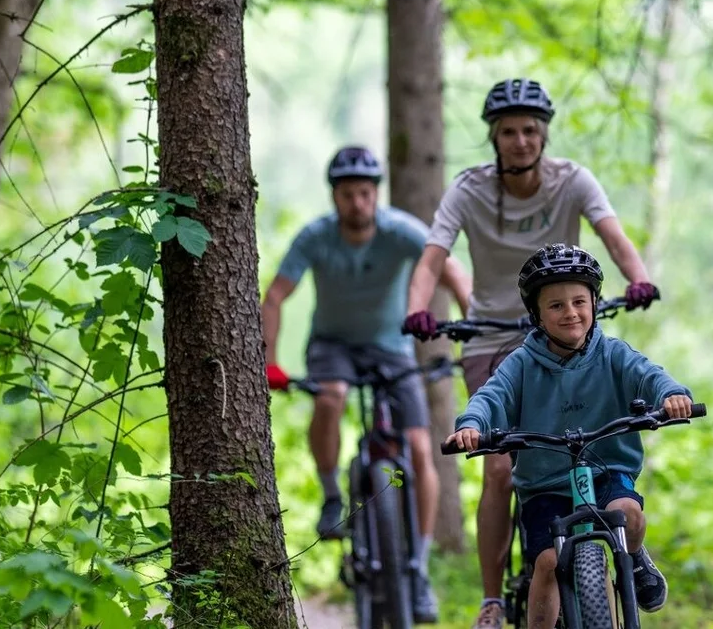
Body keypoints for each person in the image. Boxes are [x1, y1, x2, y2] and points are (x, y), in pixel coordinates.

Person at [398, 77, 661, 629]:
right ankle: (492, 598)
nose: (520, 140)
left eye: (530, 130)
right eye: (509, 131)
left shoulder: (572, 181)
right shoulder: (469, 189)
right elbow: (432, 256)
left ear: (543, 135)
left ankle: (619, 551)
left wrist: (638, 278)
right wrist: (418, 309)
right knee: (498, 468)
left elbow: (611, 235)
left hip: (560, 319)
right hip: (493, 335)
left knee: (592, 436)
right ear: (494, 138)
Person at [261, 145, 472, 622]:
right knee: (332, 397)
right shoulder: (316, 237)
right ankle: (332, 494)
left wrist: (470, 339)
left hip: (391, 348)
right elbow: (275, 296)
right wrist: (269, 361)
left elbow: (451, 272)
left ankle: (416, 568)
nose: (357, 203)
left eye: (364, 193)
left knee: (421, 447)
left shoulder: (400, 231)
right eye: (347, 194)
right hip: (332, 345)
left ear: (376, 195)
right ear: (334, 198)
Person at [444, 244, 690, 628]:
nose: (571, 313)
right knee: (546, 562)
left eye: (579, 301)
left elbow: (649, 375)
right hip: (544, 486)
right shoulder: (521, 364)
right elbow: (490, 396)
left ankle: (635, 557)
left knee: (629, 516)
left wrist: (672, 395)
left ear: (594, 302)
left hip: (607, 470)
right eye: (556, 305)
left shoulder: (613, 354)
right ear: (537, 315)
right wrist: (471, 426)